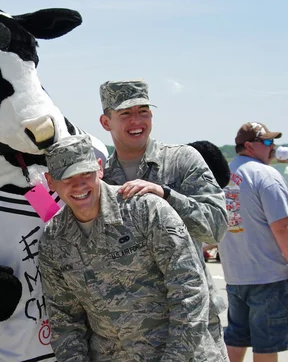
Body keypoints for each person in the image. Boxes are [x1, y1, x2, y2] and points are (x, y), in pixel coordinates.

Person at [39, 134, 217, 361]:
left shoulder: (145, 210)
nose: (79, 184)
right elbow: (65, 319)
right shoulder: (54, 239)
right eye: (67, 177)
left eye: (86, 173)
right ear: (50, 181)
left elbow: (189, 291)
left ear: (100, 168)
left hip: (181, 355)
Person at [98, 79, 229, 360]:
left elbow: (215, 227)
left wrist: (167, 196)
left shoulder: (182, 161)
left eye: (143, 111)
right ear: (106, 122)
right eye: (125, 114)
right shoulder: (101, 180)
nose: (137, 121)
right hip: (129, 336)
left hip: (190, 326)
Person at [219, 122, 288, 362]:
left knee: (236, 338)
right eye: (267, 142)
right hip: (268, 275)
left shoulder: (225, 175)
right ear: (249, 146)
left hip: (235, 275)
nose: (273, 147)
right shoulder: (266, 175)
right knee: (266, 344)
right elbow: (282, 226)